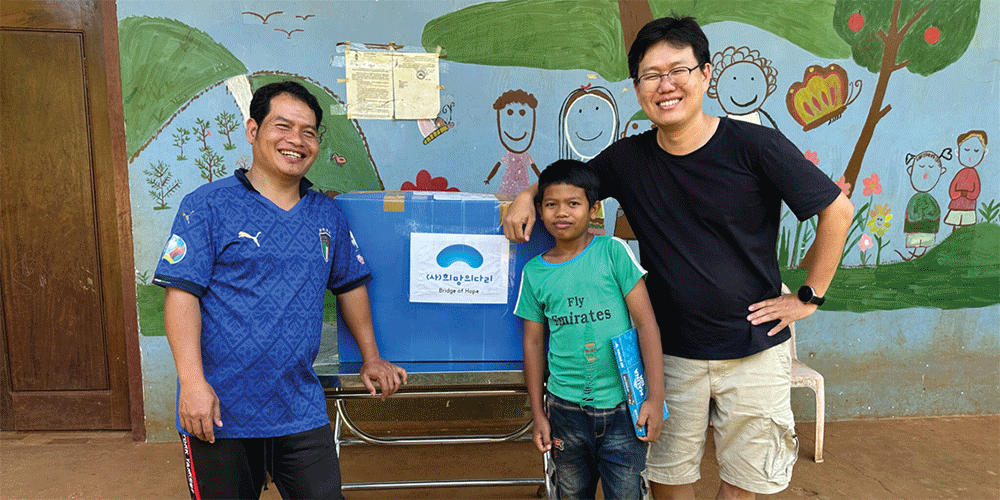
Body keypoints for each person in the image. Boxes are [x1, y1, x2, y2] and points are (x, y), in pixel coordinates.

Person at [503, 16, 854, 500]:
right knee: (669, 482)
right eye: (651, 74)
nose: (665, 86)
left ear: (705, 75)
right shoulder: (627, 159)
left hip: (754, 349)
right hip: (668, 357)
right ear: (637, 87)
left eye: (678, 70)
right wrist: (528, 193)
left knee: (746, 485)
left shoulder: (754, 147)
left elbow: (837, 209)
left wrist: (810, 297)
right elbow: (571, 189)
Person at [153, 81, 407, 500]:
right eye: (283, 126)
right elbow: (182, 295)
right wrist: (192, 383)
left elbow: (350, 286)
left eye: (308, 132)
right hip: (220, 410)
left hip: (298, 407)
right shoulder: (207, 206)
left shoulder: (327, 214)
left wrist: (372, 357)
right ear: (253, 130)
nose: (296, 141)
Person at [515, 159, 665, 500]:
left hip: (624, 410)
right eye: (551, 205)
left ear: (594, 209)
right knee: (570, 494)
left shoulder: (613, 253)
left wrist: (655, 398)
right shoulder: (535, 273)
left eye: (573, 203)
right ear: (539, 210)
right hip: (565, 412)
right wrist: (538, 414)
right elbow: (534, 343)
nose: (561, 213)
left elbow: (646, 324)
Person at [944, 130, 986, 232]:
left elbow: (976, 191)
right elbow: (952, 190)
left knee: (967, 225)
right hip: (957, 204)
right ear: (958, 152)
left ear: (983, 153)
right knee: (955, 224)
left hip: (969, 206)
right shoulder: (960, 174)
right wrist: (958, 194)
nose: (970, 155)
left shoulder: (974, 174)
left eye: (976, 151)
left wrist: (967, 195)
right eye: (966, 149)